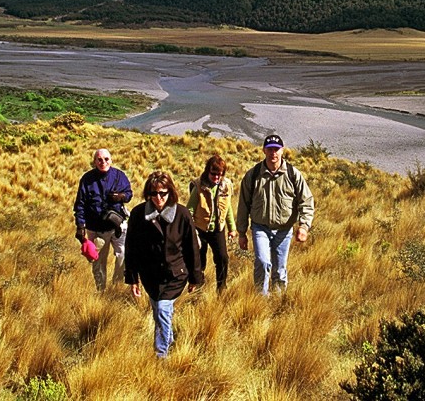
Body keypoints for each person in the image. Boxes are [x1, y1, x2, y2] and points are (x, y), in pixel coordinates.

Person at [125, 171, 203, 358]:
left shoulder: (182, 214)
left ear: (170, 192)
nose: (158, 198)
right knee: (159, 312)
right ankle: (168, 341)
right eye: (153, 193)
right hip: (150, 276)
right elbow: (131, 248)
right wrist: (133, 278)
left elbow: (192, 247)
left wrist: (195, 277)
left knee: (162, 309)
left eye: (163, 193)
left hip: (176, 274)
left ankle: (161, 355)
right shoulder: (138, 214)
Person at [237, 134, 315, 295]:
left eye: (276, 149)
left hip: (284, 230)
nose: (273, 153)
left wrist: (304, 226)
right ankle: (261, 300)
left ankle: (279, 299)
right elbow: (243, 205)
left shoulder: (293, 174)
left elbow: (306, 200)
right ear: (264, 151)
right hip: (260, 228)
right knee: (263, 262)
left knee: (279, 269)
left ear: (282, 151)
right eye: (270, 149)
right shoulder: (253, 175)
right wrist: (241, 233)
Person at [73, 148, 133, 291]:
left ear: (111, 160)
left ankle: (117, 287)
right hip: (96, 229)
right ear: (94, 162)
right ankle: (101, 290)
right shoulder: (87, 179)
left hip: (118, 226)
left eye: (106, 159)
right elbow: (80, 204)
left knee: (123, 256)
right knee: (98, 262)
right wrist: (80, 226)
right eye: (99, 159)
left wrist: (120, 197)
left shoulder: (119, 176)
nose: (103, 162)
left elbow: (129, 194)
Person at [185, 154, 237, 291]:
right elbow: (189, 210)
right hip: (199, 229)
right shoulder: (198, 187)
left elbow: (228, 208)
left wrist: (232, 228)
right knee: (199, 261)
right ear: (208, 171)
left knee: (222, 258)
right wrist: (191, 231)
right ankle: (198, 287)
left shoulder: (226, 186)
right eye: (213, 174)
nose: (216, 177)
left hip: (217, 229)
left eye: (219, 175)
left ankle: (221, 287)